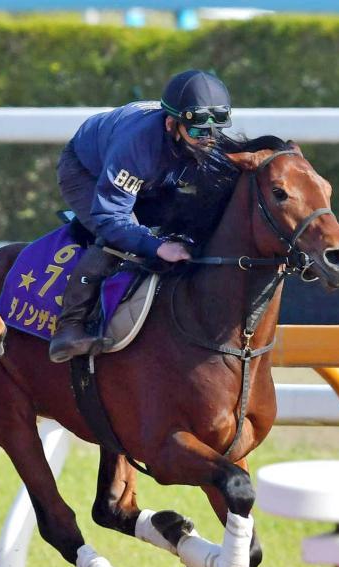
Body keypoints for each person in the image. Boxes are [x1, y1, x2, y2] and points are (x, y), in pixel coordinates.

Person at [48, 69, 234, 363]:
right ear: (172, 124)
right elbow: (112, 218)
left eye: (216, 128)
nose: (209, 140)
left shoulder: (203, 136)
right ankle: (70, 327)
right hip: (87, 170)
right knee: (118, 238)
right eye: (199, 131)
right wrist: (158, 246)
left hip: (155, 172)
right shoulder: (137, 146)